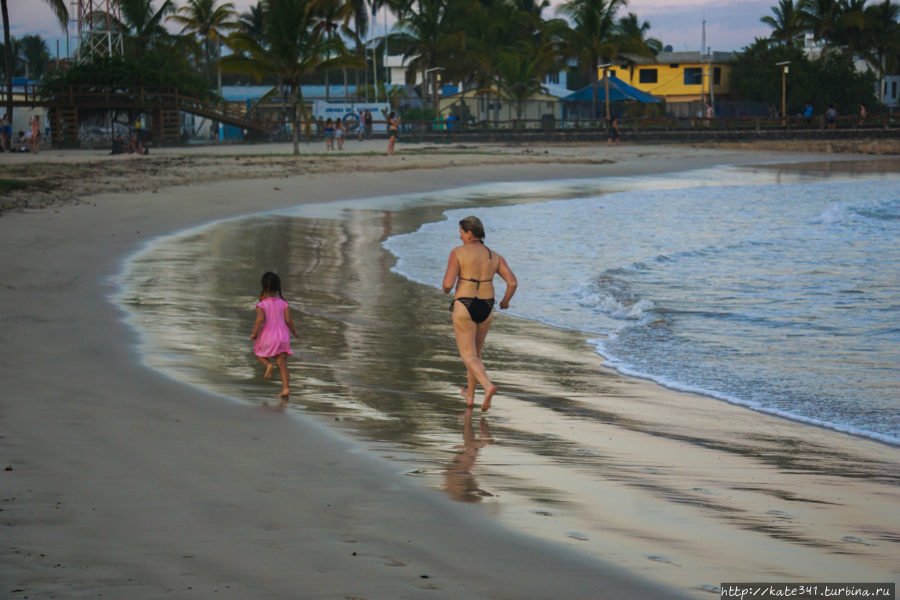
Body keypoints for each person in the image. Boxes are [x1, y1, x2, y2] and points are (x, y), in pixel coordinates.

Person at [442, 216, 517, 411]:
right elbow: (512, 282)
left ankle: (487, 385)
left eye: (461, 233)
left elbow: (448, 285)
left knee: (467, 356)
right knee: (475, 355)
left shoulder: (457, 252)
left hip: (464, 305)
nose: (460, 237)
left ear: (469, 233)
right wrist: (505, 302)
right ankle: (470, 396)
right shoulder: (495, 256)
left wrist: (447, 289)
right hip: (486, 306)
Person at [250, 271, 301, 398]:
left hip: (268, 336)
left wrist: (254, 333)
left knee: (258, 352)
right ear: (278, 288)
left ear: (261, 287)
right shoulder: (284, 303)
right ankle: (285, 389)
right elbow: (288, 320)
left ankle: (268, 365)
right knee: (282, 363)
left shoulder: (261, 305)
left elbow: (260, 320)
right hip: (283, 337)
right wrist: (294, 332)